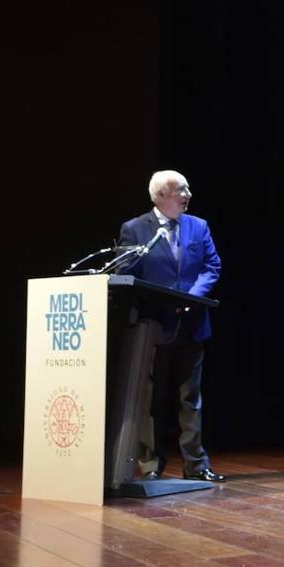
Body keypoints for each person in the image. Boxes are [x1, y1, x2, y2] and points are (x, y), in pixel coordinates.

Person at [118, 170, 224, 482]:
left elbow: (212, 266)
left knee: (191, 398)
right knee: (151, 400)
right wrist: (163, 299)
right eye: (181, 190)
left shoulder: (198, 226)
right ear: (161, 195)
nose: (188, 194)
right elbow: (127, 273)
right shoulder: (135, 229)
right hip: (153, 326)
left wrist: (191, 297)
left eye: (188, 189)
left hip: (191, 324)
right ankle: (151, 466)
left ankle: (196, 465)